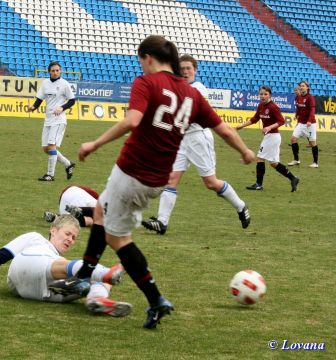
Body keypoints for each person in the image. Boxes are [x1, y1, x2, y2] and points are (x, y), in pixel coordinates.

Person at [57, 35, 255, 329]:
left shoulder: (146, 83)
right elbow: (224, 129)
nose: (141, 65)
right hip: (157, 178)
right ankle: (85, 275)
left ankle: (155, 299)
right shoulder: (192, 94)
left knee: (119, 239)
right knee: (100, 210)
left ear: (148, 57)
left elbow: (132, 121)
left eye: (141, 60)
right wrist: (245, 151)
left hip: (132, 171)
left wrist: (94, 144)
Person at [142, 54, 250, 235]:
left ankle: (241, 206)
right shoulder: (175, 87)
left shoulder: (198, 88)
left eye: (188, 69)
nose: (185, 72)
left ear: (195, 71)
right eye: (182, 69)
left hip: (198, 138)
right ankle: (162, 222)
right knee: (171, 179)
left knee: (211, 183)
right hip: (180, 139)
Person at [0, 214, 131, 317]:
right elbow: (1, 255)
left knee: (92, 281)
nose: (70, 239)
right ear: (53, 230)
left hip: (38, 293)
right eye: (67, 234)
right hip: (26, 267)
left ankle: (96, 299)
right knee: (76, 267)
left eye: (74, 238)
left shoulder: (57, 260)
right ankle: (106, 273)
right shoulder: (36, 239)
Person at [236, 86, 299, 192]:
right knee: (274, 163)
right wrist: (241, 126)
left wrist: (269, 127)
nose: (263, 96)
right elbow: (255, 119)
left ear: (270, 95)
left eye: (265, 94)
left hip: (273, 137)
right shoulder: (261, 105)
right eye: (261, 94)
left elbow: (281, 121)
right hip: (270, 137)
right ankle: (293, 178)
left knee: (260, 158)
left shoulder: (273, 107)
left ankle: (258, 184)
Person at [27, 61, 76, 181]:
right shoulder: (45, 83)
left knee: (51, 146)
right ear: (49, 71)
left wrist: (62, 107)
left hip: (59, 120)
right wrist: (33, 107)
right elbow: (39, 98)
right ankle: (68, 164)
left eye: (57, 70)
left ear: (60, 71)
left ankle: (50, 175)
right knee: (46, 148)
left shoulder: (64, 84)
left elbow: (72, 101)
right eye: (53, 70)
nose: (55, 72)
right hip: (48, 119)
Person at [288, 80, 318, 168]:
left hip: (310, 123)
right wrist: (296, 115)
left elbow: (312, 109)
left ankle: (315, 163)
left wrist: (309, 120)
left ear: (307, 88)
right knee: (293, 139)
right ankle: (296, 160)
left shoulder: (310, 97)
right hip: (301, 123)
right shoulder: (298, 97)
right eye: (300, 86)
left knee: (312, 143)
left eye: (303, 86)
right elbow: (298, 108)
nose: (301, 87)